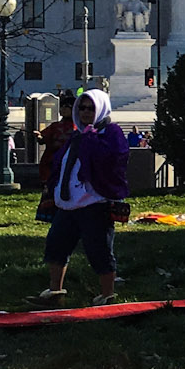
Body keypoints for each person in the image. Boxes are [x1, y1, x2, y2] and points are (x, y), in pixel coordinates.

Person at [35, 88, 128, 305]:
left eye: (91, 108)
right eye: (82, 107)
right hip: (67, 205)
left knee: (99, 250)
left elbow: (114, 159)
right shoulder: (77, 134)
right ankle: (55, 291)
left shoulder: (111, 132)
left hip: (95, 204)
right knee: (56, 246)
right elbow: (62, 162)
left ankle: (107, 294)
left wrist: (92, 140)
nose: (86, 112)